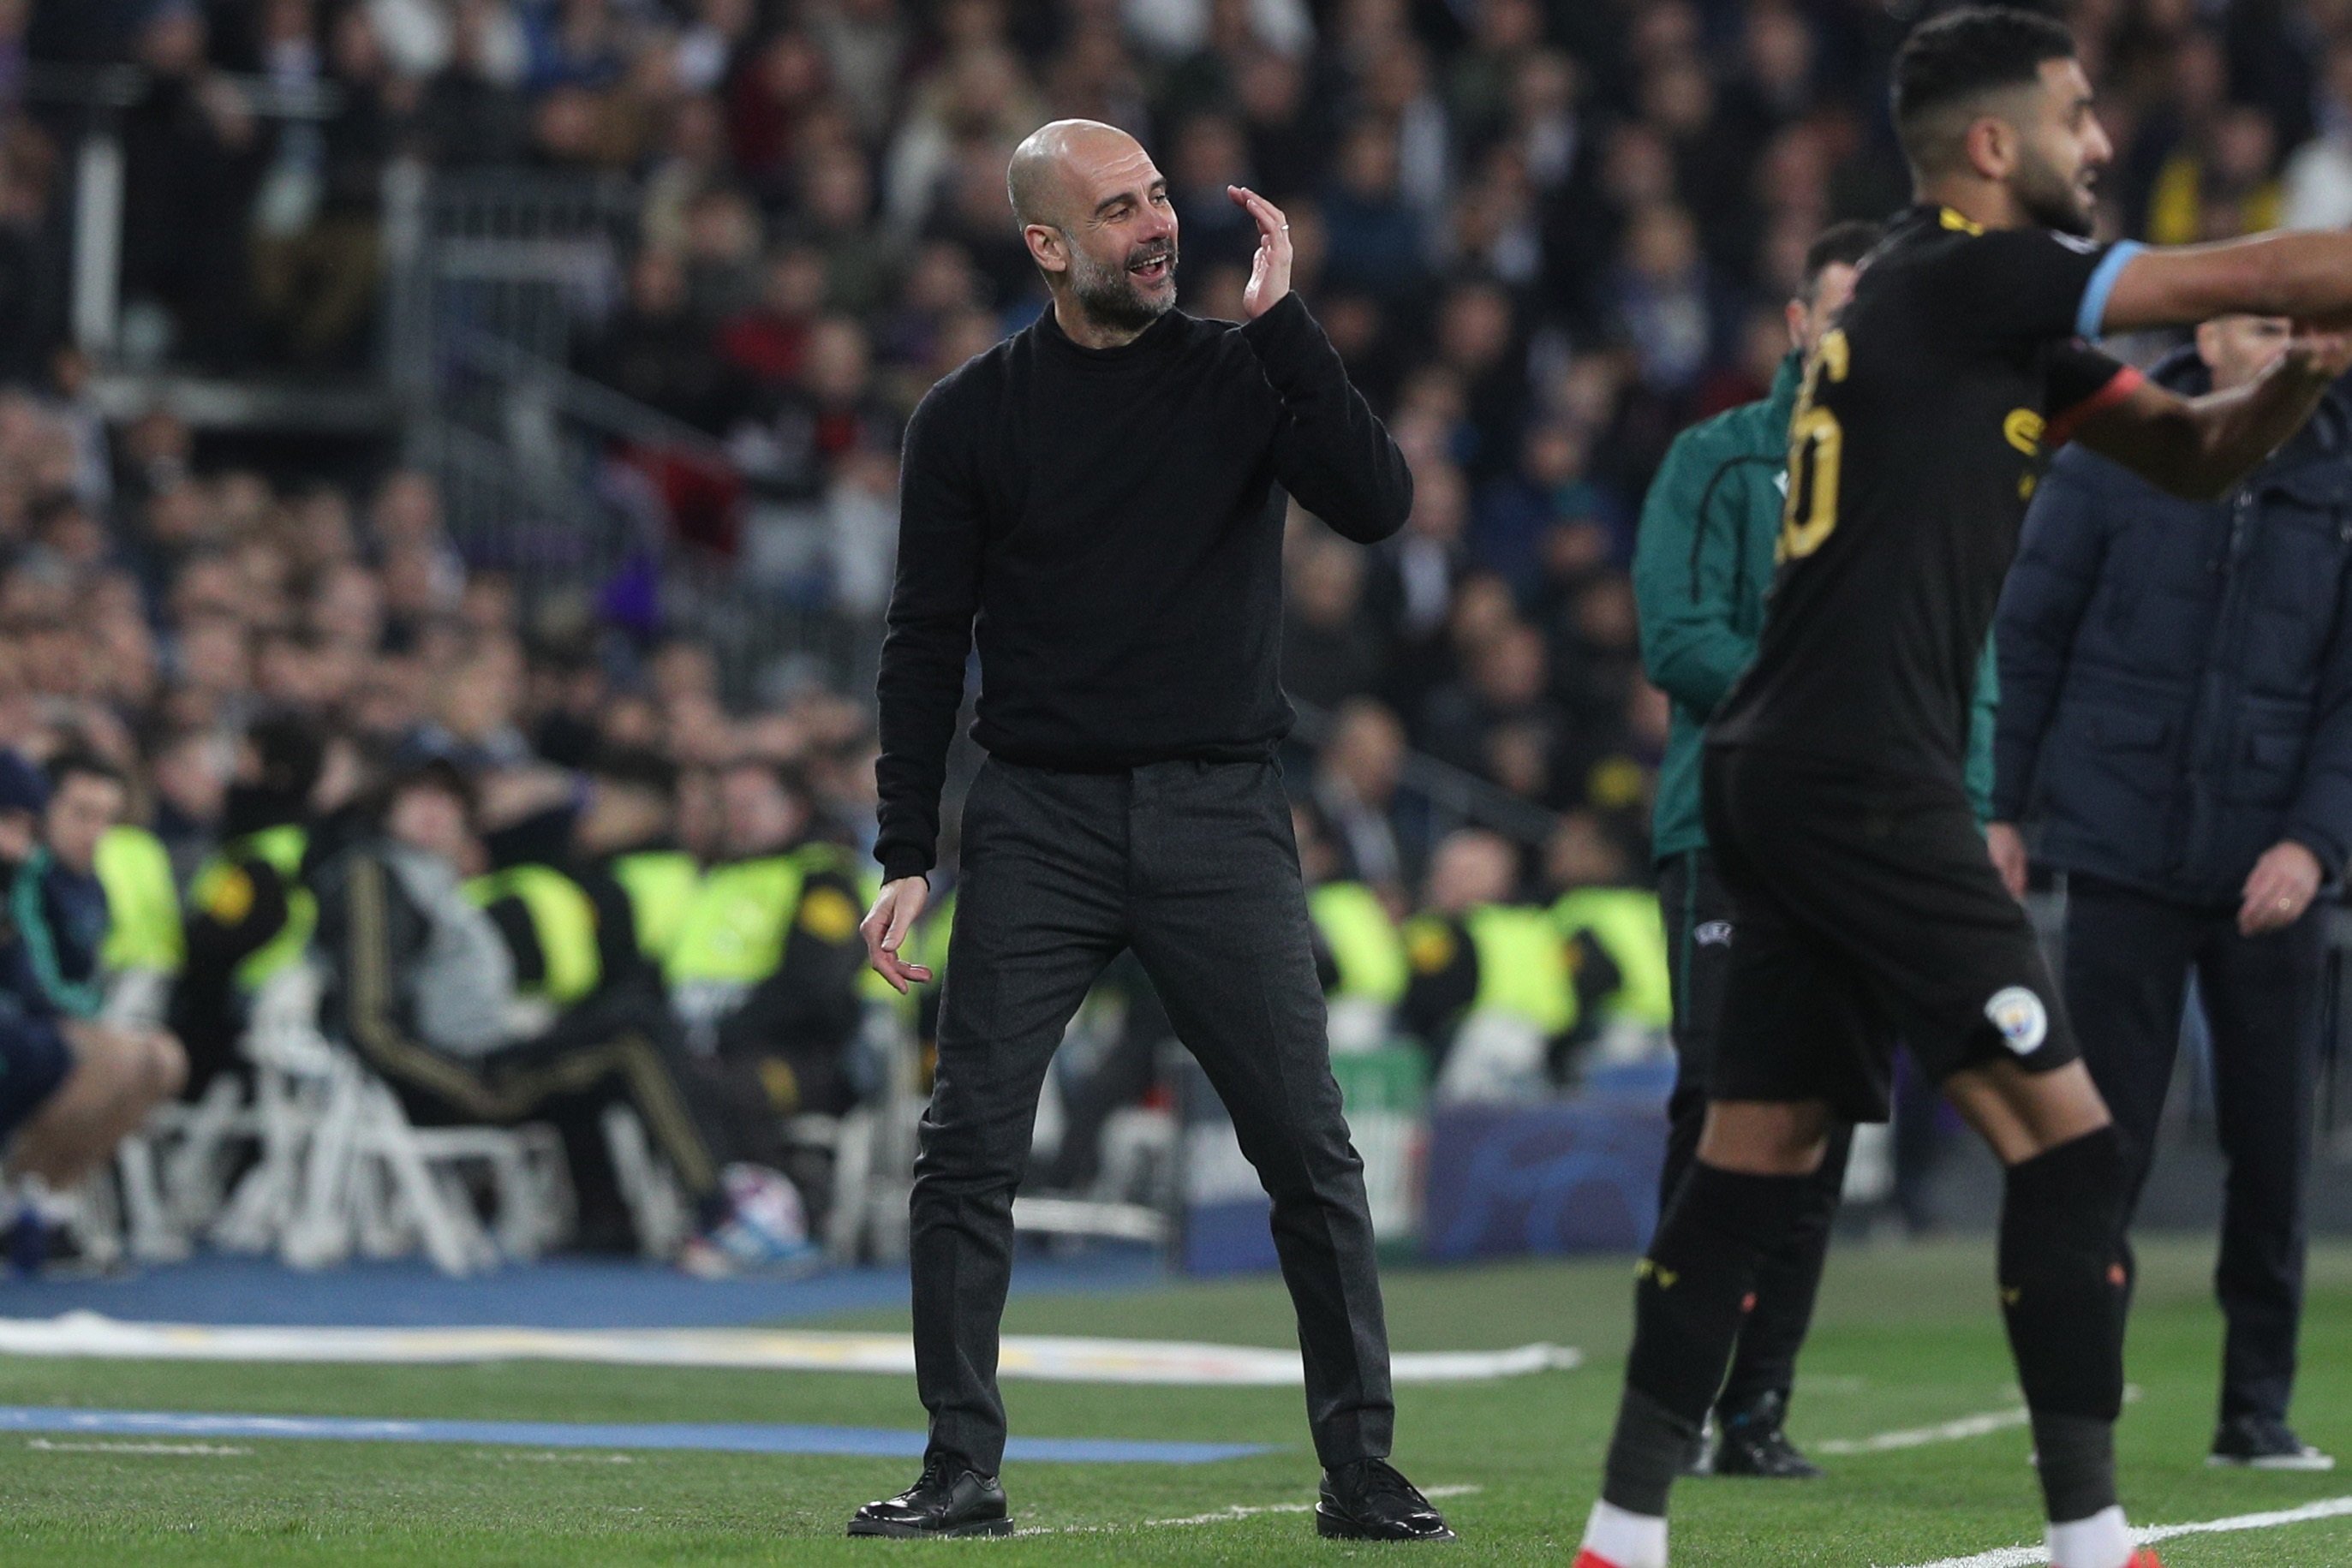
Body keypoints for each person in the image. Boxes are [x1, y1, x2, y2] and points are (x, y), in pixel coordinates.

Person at [1576, 10, 2352, 1568]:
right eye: (2079, 117)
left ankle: (1619, 1536)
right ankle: (2093, 1541)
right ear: (1994, 147)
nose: (2105, 143)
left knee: (1757, 1157)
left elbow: (2194, 453)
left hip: (1783, 777)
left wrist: (2289, 392)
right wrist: (2297, 302)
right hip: (1866, 776)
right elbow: (2245, 277)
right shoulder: (1975, 268)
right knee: (2070, 1147)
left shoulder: (1967, 318)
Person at [855, 120, 1451, 1541]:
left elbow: (1378, 506)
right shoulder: (969, 415)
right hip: (1038, 820)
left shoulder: (1244, 370)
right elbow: (924, 644)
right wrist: (901, 851)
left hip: (1217, 808)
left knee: (1308, 1149)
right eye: (1118, 210)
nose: (1156, 226)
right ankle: (961, 1466)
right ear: (1048, 244)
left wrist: (1289, 324)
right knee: (968, 1147)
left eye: (1158, 199)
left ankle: (1359, 1467)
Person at [1627, 218, 1997, 1478]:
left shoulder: (1932, 471)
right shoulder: (1716, 463)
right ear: (1796, 324)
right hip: (1729, 827)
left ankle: (1757, 1409)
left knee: (1828, 1119)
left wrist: (1974, 806)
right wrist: (1833, 707)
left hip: (1876, 840)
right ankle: (1671, 1396)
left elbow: (1972, 668)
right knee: (1719, 1106)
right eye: (1837, 311)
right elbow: (1673, 637)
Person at [1990, 312, 2352, 1471]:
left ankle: (2254, 1409)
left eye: (2302, 327)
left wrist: (2313, 843)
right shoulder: (2111, 451)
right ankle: (2077, 1400)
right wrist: (1995, 807)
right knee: (2102, 1143)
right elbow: (2026, 635)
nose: (2286, 345)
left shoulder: (2340, 474)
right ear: (2209, 333)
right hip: (2120, 847)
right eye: (2264, 323)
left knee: (2269, 1151)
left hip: (2269, 865)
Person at [311, 758, 752, 1273]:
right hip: (445, 1078)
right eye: (416, 799)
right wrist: (461, 1084)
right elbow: (370, 1023)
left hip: (473, 1057)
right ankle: (722, 1213)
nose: (433, 812)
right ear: (386, 811)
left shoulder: (431, 878)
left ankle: (609, 1222)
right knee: (631, 1035)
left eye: (447, 801)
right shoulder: (374, 875)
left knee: (616, 1033)